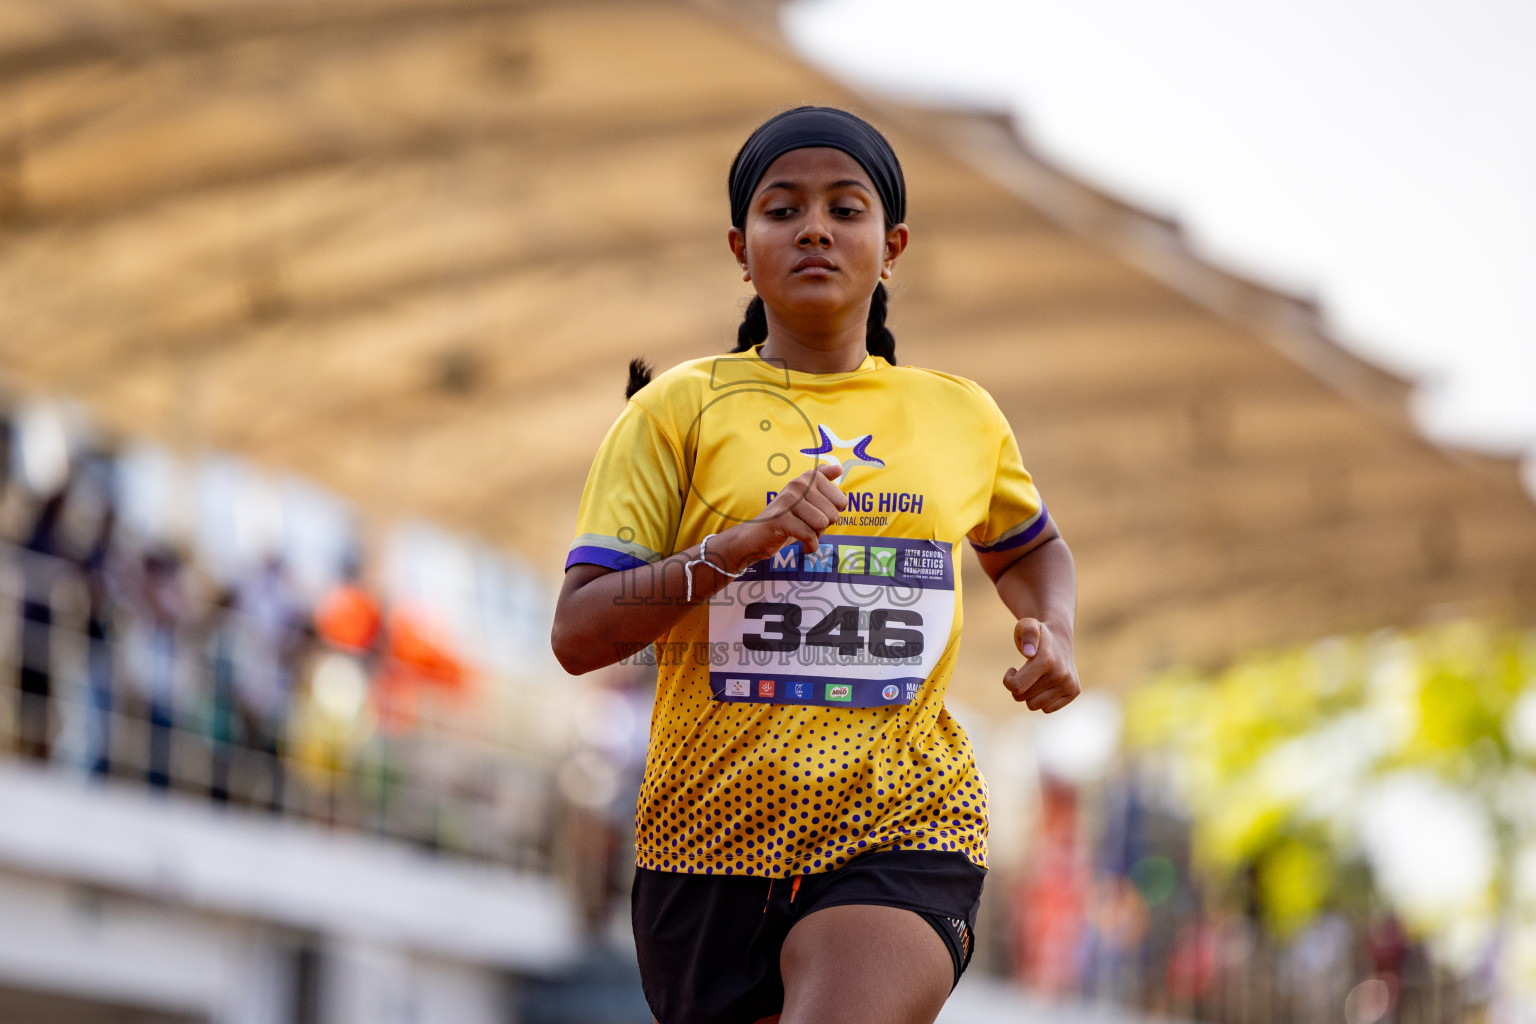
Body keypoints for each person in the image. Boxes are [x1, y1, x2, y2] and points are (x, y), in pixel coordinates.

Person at [552, 106, 1081, 1024]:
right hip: (703, 847)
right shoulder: (676, 411)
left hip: (906, 827)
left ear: (893, 244)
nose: (814, 230)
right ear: (739, 244)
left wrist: (1054, 626)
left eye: (846, 209)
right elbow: (578, 632)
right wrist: (732, 551)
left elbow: (1033, 547)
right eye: (782, 209)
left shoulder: (961, 416)